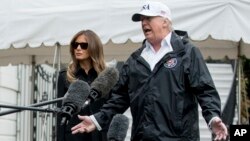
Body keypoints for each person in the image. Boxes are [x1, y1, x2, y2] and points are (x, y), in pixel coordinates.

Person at [71, 1, 228, 141]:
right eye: (141, 19)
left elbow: (205, 90)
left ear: (165, 22)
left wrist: (212, 117)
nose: (143, 23)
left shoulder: (186, 52)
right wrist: (98, 119)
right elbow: (119, 98)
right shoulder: (135, 59)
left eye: (149, 18)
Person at [56, 29, 109, 141]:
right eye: (75, 45)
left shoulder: (106, 77)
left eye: (83, 45)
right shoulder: (65, 76)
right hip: (74, 136)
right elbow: (60, 114)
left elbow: (112, 109)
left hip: (99, 135)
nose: (78, 48)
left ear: (94, 48)